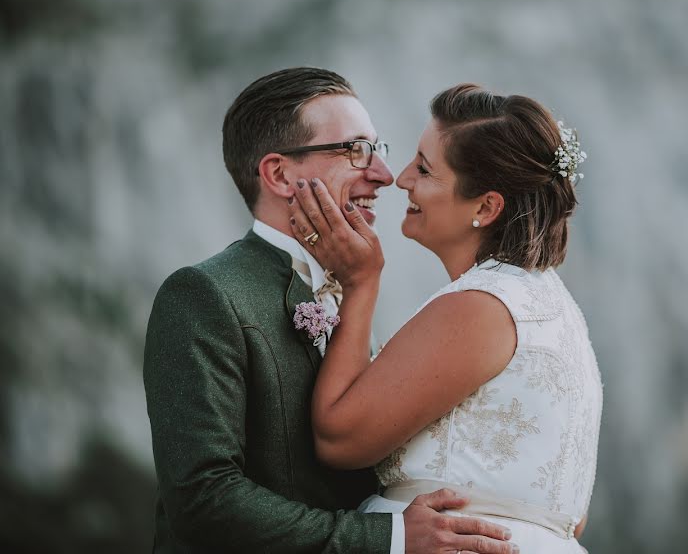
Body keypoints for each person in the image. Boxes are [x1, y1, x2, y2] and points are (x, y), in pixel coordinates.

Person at [143, 68, 517, 553]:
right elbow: (203, 498)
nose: (384, 176)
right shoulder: (204, 294)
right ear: (279, 174)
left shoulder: (351, 292)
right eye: (355, 150)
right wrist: (388, 537)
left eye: (377, 151)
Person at [286, 83, 603, 553]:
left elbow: (338, 438)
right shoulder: (555, 308)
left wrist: (360, 282)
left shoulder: (481, 306)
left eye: (425, 169)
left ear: (486, 206)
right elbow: (569, 519)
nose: (401, 179)